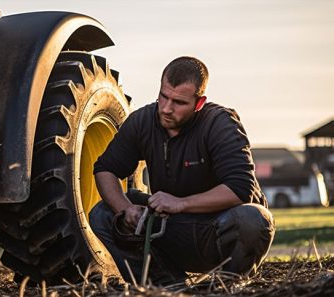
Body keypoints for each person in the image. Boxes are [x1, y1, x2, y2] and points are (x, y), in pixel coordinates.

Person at [89, 56, 275, 284]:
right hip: (169, 229)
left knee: (253, 219)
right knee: (103, 214)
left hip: (216, 230)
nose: (166, 108)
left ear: (199, 103)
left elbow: (240, 189)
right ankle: (169, 286)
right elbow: (105, 169)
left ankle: (227, 284)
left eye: (178, 102)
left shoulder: (220, 123)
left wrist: (181, 203)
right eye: (163, 97)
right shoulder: (142, 121)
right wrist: (126, 210)